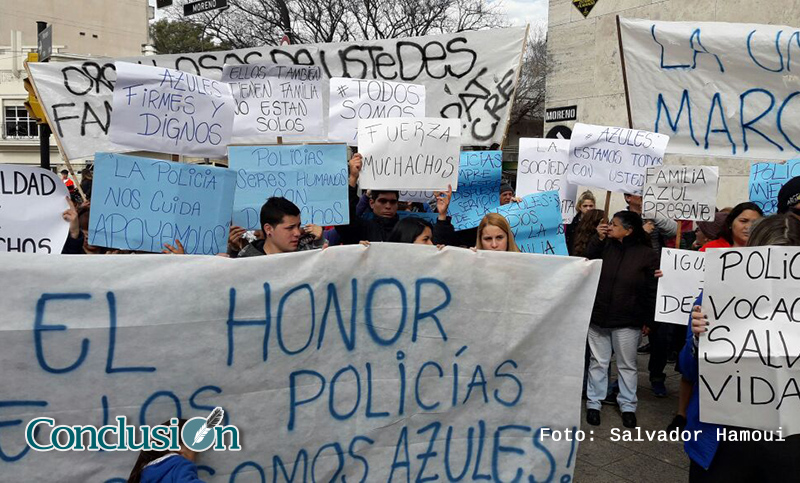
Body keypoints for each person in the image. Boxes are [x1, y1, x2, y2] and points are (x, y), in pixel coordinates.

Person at [683, 214, 800, 482]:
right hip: (722, 439)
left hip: (789, 442)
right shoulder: (716, 294)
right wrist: (699, 341)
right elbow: (688, 371)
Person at [584, 211, 658, 428]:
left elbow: (653, 289)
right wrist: (597, 238)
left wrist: (649, 319)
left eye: (614, 225)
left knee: (627, 364)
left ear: (629, 230)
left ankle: (627, 405)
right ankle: (594, 403)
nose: (609, 227)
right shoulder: (604, 246)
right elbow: (588, 259)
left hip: (628, 318)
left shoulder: (647, 255)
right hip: (599, 316)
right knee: (598, 362)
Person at [336, 154, 454, 244]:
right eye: (382, 201)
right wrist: (352, 178)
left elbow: (436, 248)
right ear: (371, 203)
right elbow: (344, 222)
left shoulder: (408, 229)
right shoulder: (363, 228)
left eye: (393, 202)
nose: (388, 206)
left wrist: (442, 215)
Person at [238, 197, 324, 257]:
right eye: (290, 228)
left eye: (298, 226)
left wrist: (320, 242)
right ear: (268, 229)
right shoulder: (247, 261)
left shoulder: (308, 252)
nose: (297, 233)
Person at [127, 419, 205, 483]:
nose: (195, 460)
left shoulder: (145, 472)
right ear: (180, 448)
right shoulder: (179, 464)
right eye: (195, 453)